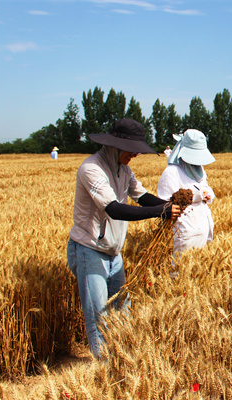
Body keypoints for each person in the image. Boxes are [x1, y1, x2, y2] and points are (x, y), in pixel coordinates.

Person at [67, 118, 181, 359]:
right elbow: (114, 209)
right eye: (133, 149)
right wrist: (161, 212)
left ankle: (120, 360)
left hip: (113, 253)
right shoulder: (91, 169)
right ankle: (104, 370)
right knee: (99, 317)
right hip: (89, 251)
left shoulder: (124, 169)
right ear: (115, 145)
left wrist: (171, 204)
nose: (136, 154)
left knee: (122, 311)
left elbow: (141, 197)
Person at [157, 129, 215, 257]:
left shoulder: (198, 170)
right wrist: (197, 195)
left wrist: (208, 193)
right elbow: (166, 203)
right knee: (179, 271)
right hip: (185, 231)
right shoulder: (172, 172)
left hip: (201, 228)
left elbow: (204, 186)